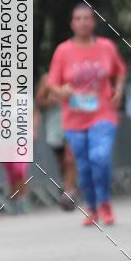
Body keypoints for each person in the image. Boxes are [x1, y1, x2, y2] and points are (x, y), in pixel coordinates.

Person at [47, 3, 126, 226]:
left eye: (87, 18)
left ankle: (105, 203)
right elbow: (52, 84)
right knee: (83, 165)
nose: (83, 22)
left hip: (103, 113)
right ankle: (92, 207)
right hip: (74, 119)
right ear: (72, 23)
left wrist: (119, 90)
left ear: (94, 22)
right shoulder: (63, 51)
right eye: (78, 18)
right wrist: (62, 91)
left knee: (100, 157)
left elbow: (120, 71)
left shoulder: (107, 47)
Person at [34, 74, 77, 209]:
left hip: (73, 124)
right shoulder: (47, 79)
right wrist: (51, 101)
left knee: (69, 159)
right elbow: (39, 102)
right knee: (62, 163)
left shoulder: (73, 75)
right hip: (54, 127)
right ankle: (68, 186)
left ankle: (69, 193)